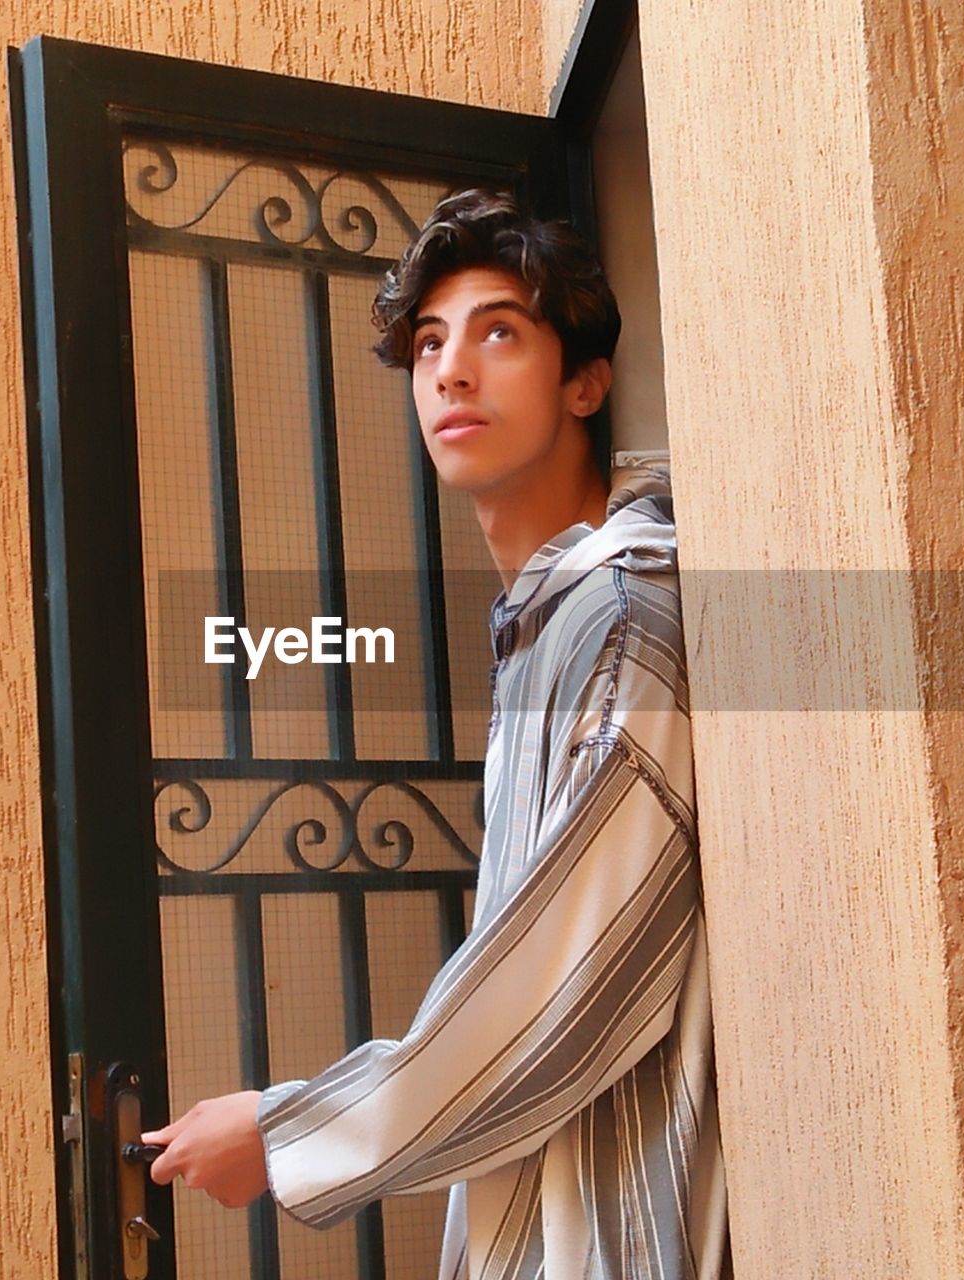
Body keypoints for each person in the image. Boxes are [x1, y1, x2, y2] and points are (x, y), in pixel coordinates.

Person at [143, 188, 730, 1279]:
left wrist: (286, 1130)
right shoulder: (549, 621)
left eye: (498, 331)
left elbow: (561, 989)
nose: (450, 370)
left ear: (583, 382)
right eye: (428, 343)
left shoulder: (619, 619)